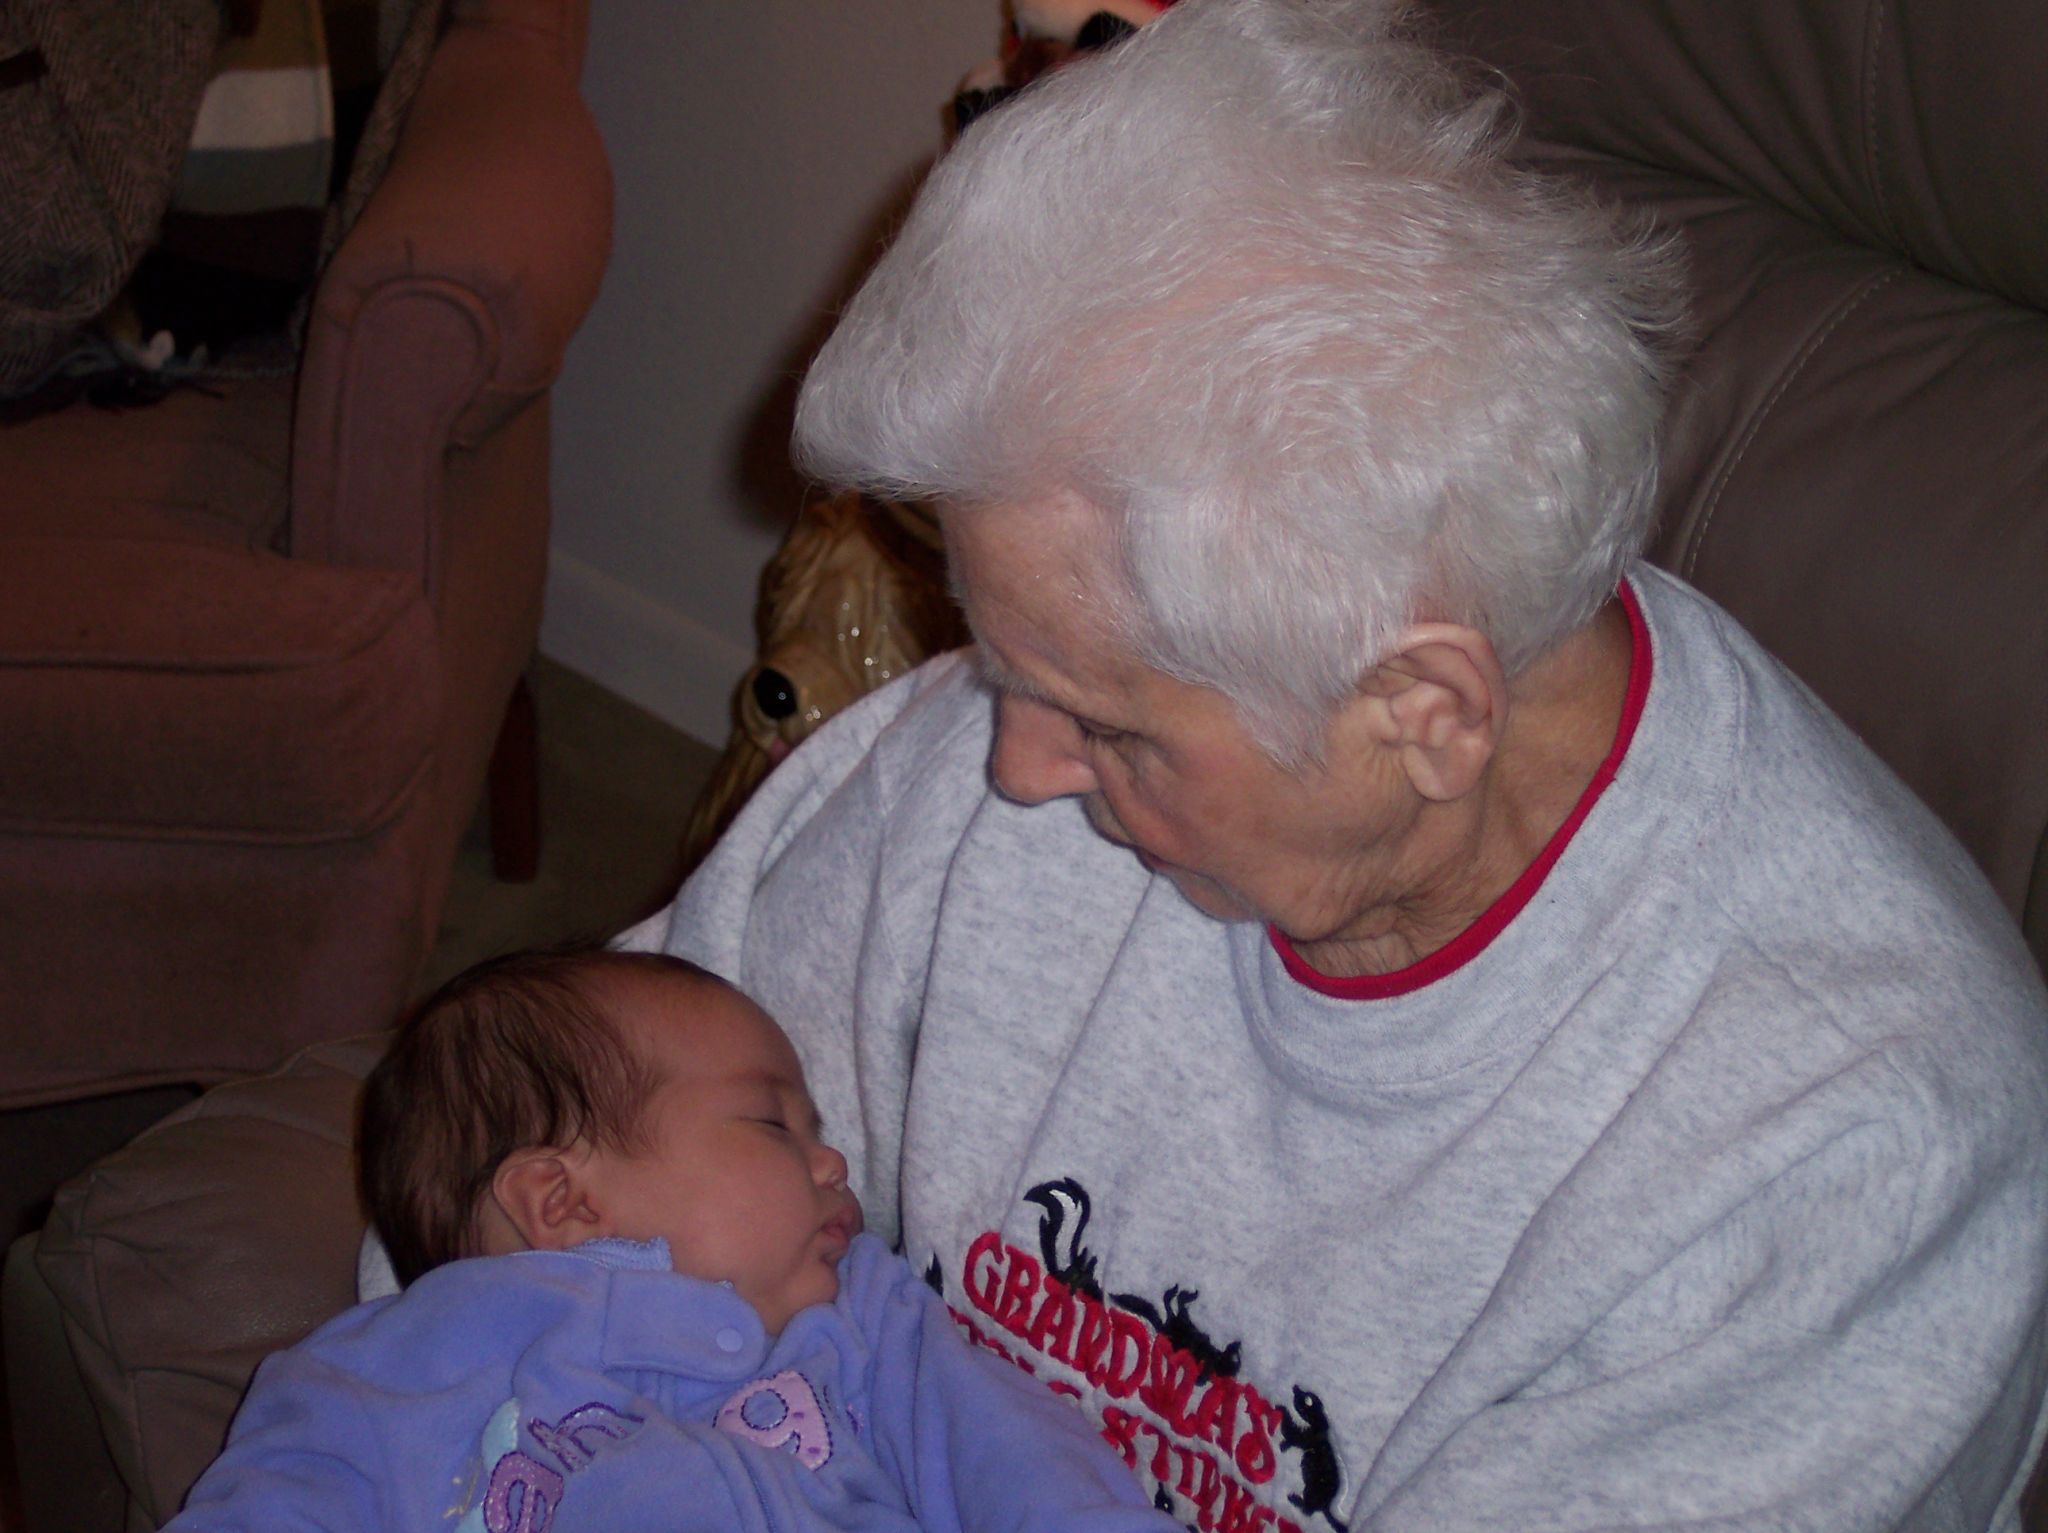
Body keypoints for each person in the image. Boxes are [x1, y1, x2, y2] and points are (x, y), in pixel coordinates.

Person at [632, 0, 2048, 1528]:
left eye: (1108, 725)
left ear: (1423, 710)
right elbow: (572, 1158)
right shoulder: (1016, 731)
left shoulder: (1844, 1155)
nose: (1014, 766)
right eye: (1001, 659)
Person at [170, 949, 1183, 1533]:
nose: (834, 1162)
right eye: (774, 1124)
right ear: (563, 1203)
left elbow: (1020, 1463)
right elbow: (273, 1503)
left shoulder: (868, 1321)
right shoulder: (388, 1367)